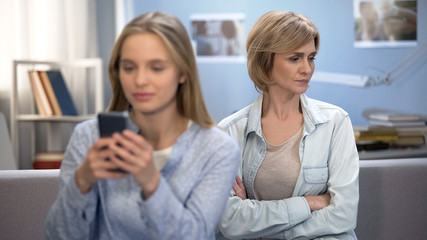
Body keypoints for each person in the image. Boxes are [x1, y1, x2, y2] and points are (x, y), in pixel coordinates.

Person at [44, 11, 239, 240]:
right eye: (129, 67)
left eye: (156, 68)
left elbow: (193, 235)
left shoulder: (217, 149)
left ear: (183, 73)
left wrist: (152, 184)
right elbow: (57, 235)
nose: (140, 80)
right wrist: (81, 182)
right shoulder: (88, 136)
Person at [216, 11, 359, 239]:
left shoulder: (336, 122)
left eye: (311, 58)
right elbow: (232, 222)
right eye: (295, 58)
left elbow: (344, 215)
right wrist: (309, 203)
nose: (307, 69)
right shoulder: (230, 131)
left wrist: (261, 226)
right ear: (265, 62)